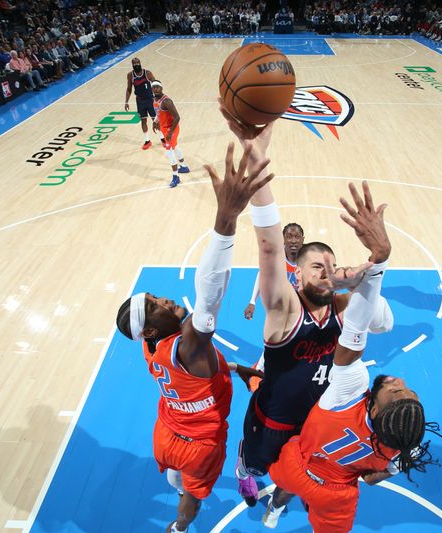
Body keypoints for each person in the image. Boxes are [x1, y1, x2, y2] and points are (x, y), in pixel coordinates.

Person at [218, 107, 394, 507]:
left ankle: (280, 493)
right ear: (297, 275)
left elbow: (383, 321)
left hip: (315, 421)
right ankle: (244, 470)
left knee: (298, 477)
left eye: (333, 266)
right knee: (257, 464)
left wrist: (376, 263)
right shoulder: (285, 311)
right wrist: (257, 161)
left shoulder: (345, 305)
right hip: (271, 422)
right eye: (318, 266)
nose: (327, 271)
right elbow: (269, 245)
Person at [263, 184, 442, 531]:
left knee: (284, 482)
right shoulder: (397, 443)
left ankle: (273, 507)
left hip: (300, 464)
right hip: (336, 492)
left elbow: (357, 333)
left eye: (395, 390)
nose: (398, 380)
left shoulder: (351, 390)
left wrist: (376, 263)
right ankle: (274, 504)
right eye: (409, 390)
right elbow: (373, 479)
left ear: (374, 408)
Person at [115, 141, 271, 533]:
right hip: (198, 441)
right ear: (150, 328)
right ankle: (179, 528)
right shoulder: (187, 345)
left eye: (155, 296)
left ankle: (176, 479)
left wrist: (233, 367)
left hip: (167, 429)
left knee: (177, 476)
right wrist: (226, 219)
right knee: (193, 496)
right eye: (156, 304)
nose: (165, 299)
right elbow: (209, 295)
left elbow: (193, 376)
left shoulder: (151, 349)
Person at [243, 222, 304, 320]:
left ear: (302, 239)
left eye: (297, 237)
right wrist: (252, 301)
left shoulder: (309, 257)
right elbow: (262, 274)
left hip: (302, 306)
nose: (293, 241)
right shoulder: (275, 256)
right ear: (282, 239)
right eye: (289, 237)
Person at [152, 80, 189, 188]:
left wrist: (171, 132)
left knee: (169, 152)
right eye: (154, 87)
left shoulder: (167, 101)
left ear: (161, 88)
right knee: (175, 146)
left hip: (171, 128)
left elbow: (177, 117)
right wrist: (155, 122)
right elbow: (158, 113)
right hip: (164, 128)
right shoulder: (154, 100)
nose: (156, 89)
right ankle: (183, 166)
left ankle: (175, 177)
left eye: (158, 87)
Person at [124, 57, 164, 150]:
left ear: (140, 63)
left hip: (150, 99)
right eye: (134, 63)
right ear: (132, 65)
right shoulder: (130, 75)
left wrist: (158, 97)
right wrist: (126, 101)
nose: (136, 65)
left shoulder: (147, 73)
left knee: (156, 120)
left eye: (138, 63)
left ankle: (162, 138)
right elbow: (129, 89)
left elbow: (155, 84)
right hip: (140, 101)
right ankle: (147, 141)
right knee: (143, 120)